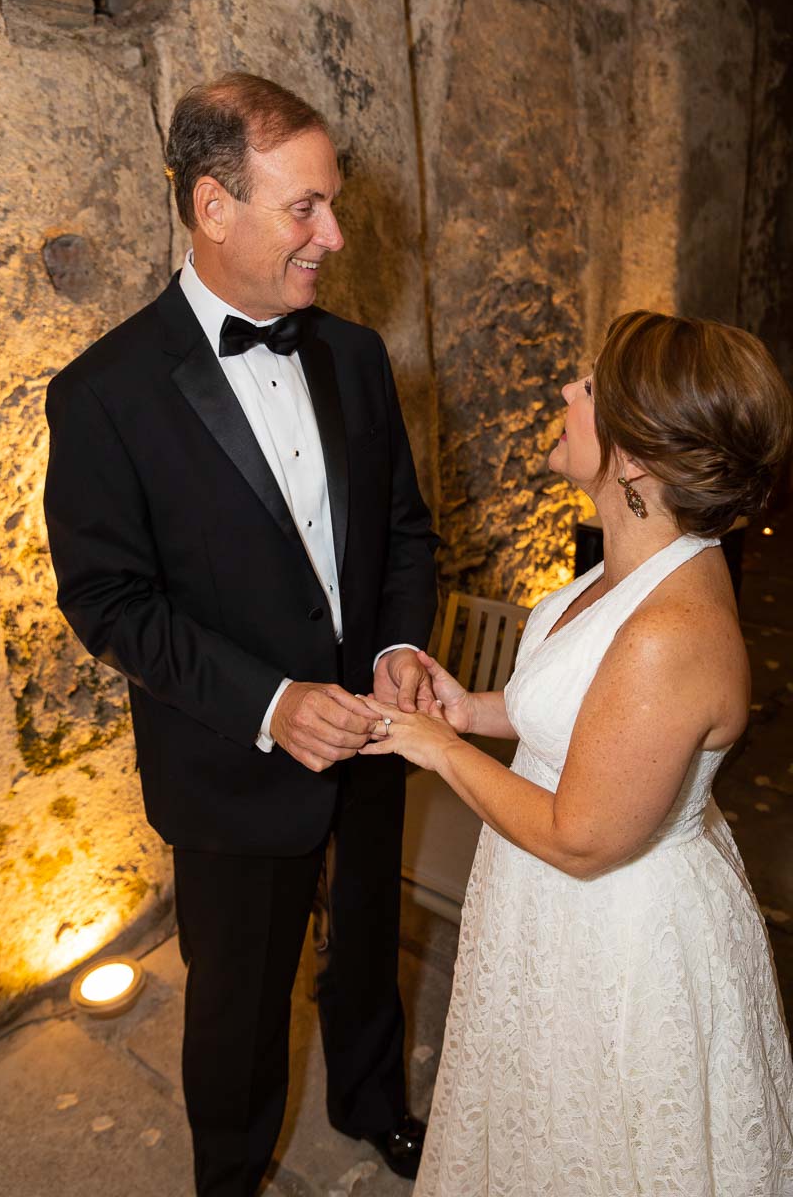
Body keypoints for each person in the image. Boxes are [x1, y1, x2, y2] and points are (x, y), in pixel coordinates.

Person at [43, 73, 439, 1196]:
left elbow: (404, 533)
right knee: (236, 997)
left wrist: (395, 652)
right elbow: (108, 602)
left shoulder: (356, 357)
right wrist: (270, 703)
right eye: (303, 207)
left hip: (374, 732)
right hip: (228, 761)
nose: (337, 234)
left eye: (332, 203)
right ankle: (230, 1168)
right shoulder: (102, 394)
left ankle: (373, 1106)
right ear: (213, 207)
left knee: (366, 947)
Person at [361, 310, 793, 1196]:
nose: (567, 390)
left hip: (620, 936)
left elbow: (582, 835)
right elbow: (585, 718)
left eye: (591, 387)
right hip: (548, 909)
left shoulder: (672, 630)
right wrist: (470, 709)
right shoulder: (630, 562)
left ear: (634, 459)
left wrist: (438, 749)